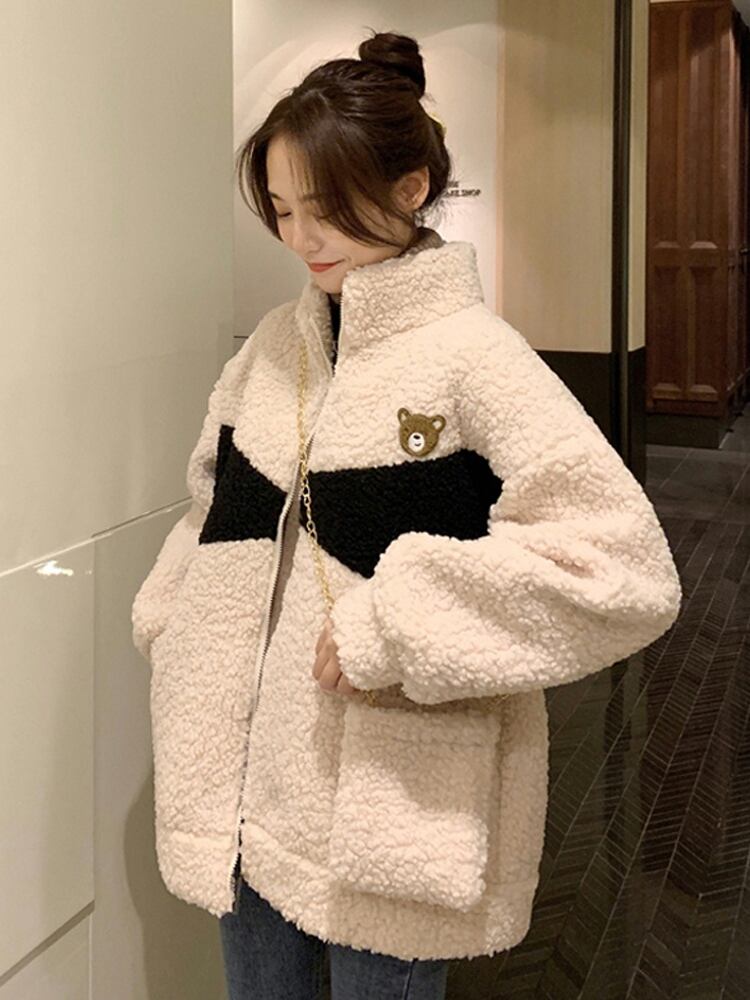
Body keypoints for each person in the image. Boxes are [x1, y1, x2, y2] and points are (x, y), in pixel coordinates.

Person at [130, 29, 683, 1000]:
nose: (302, 238)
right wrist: (172, 619)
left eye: (327, 208)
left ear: (411, 188)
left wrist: (400, 625)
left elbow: (624, 570)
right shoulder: (272, 349)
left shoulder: (477, 358)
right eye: (283, 210)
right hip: (247, 788)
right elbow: (212, 509)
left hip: (391, 801)